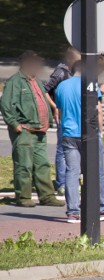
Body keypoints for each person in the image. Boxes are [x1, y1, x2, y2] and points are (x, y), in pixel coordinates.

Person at [0, 51, 65, 207]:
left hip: (39, 131)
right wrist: (15, 124)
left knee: (42, 165)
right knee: (24, 165)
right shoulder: (15, 82)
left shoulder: (36, 81)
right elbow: (5, 105)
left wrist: (50, 117)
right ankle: (23, 197)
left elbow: (42, 101)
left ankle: (47, 196)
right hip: (24, 130)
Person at [55, 60, 104, 223]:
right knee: (96, 171)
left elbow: (59, 110)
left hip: (68, 133)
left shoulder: (62, 86)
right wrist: (101, 132)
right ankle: (101, 208)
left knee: (72, 172)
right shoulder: (90, 85)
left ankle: (73, 212)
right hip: (88, 133)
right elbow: (97, 110)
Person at [44, 47, 81, 197]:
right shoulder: (60, 72)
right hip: (63, 116)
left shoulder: (72, 73)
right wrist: (55, 108)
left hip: (72, 116)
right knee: (62, 150)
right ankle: (62, 183)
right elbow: (45, 90)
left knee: (71, 151)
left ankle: (71, 180)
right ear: (71, 60)